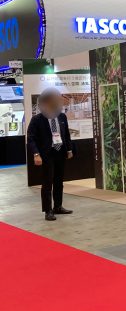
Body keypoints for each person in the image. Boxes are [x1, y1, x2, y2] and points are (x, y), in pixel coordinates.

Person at [27, 87, 74, 221]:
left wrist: (69, 150)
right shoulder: (37, 119)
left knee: (59, 181)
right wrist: (36, 154)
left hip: (60, 152)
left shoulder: (62, 116)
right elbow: (31, 138)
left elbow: (66, 134)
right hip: (46, 154)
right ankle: (48, 210)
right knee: (47, 182)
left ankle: (58, 206)